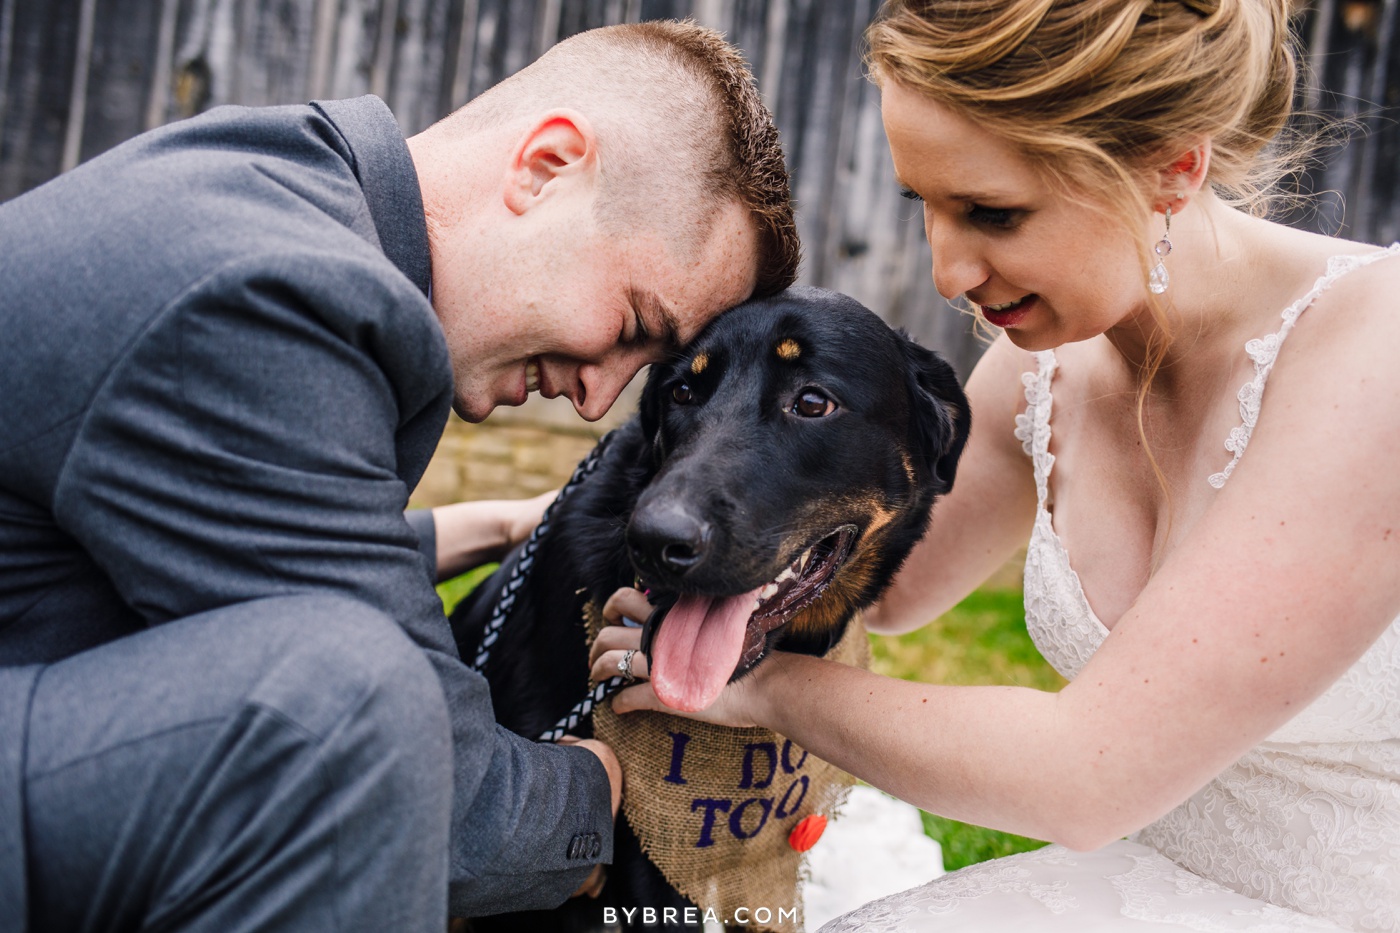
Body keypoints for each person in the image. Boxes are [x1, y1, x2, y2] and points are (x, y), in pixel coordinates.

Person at [589, 0, 1400, 928]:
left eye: (992, 212)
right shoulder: (1040, 368)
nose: (946, 272)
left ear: (1174, 165)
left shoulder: (1378, 351)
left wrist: (765, 688)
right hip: (1138, 882)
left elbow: (1085, 775)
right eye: (924, 204)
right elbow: (883, 581)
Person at [0, 20, 798, 932]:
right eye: (630, 324)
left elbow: (250, 548)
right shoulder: (272, 294)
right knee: (354, 714)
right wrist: (606, 785)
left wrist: (507, 523)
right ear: (545, 168)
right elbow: (449, 795)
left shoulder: (284, 190)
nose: (597, 398)